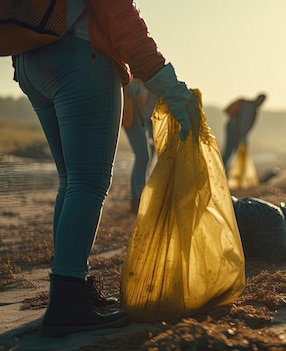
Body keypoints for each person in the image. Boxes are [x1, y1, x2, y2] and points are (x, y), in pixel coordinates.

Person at [12, 0, 199, 337]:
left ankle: (70, 288)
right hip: (81, 56)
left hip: (31, 61)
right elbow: (122, 18)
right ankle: (67, 299)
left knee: (70, 180)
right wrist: (171, 89)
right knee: (87, 182)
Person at [122, 79, 158, 214]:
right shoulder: (140, 75)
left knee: (142, 158)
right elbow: (144, 103)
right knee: (143, 157)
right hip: (134, 114)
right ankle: (138, 200)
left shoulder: (144, 76)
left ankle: (136, 200)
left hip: (139, 116)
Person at [222, 93, 266, 170]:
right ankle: (223, 170)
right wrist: (238, 132)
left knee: (235, 152)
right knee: (229, 152)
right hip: (233, 130)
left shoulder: (254, 109)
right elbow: (241, 122)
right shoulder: (248, 106)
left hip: (238, 132)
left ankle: (230, 171)